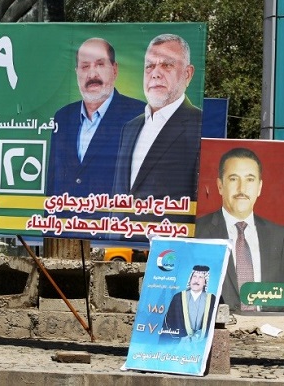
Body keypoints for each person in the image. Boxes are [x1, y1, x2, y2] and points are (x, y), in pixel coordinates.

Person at [46, 38, 144, 201]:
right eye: (85, 66)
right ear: (77, 72)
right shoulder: (63, 117)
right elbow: (53, 183)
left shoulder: (139, 115)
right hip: (67, 224)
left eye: (100, 64)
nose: (92, 74)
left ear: (114, 69)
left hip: (113, 224)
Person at [113, 34, 202, 203]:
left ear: (188, 74)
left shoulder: (199, 125)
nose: (155, 74)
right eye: (149, 66)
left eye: (167, 65)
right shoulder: (130, 128)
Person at [195, 147, 284, 312]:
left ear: (259, 187)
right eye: (234, 179)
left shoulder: (280, 237)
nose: (242, 189)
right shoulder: (196, 234)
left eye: (250, 180)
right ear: (220, 185)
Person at [160, 265, 216, 342]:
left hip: (202, 342)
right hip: (181, 342)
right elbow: (169, 322)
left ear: (205, 282)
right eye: (194, 276)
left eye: (200, 277)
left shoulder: (211, 299)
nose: (196, 280)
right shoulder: (178, 297)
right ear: (190, 279)